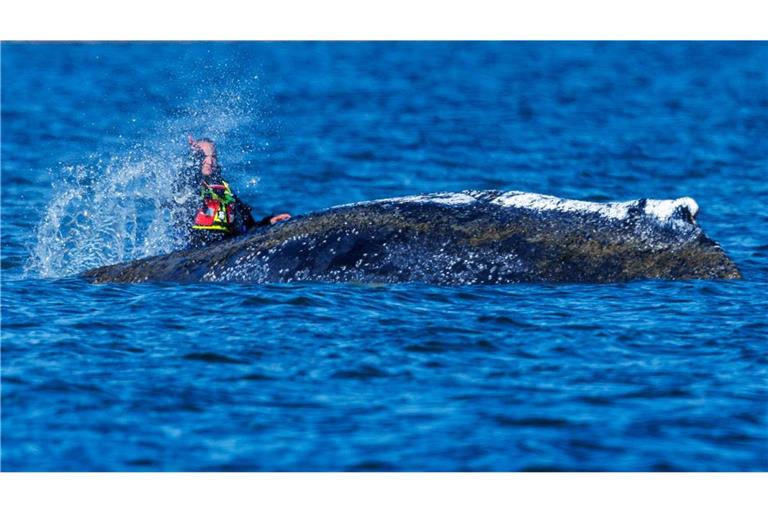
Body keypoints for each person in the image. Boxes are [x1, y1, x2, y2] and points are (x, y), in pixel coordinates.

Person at [175, 136, 291, 248]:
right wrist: (193, 159)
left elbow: (248, 227)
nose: (210, 161)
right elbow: (183, 183)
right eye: (203, 156)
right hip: (196, 251)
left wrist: (268, 223)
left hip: (223, 249)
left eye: (213, 156)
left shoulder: (225, 192)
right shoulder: (188, 187)